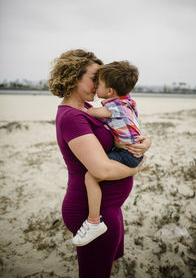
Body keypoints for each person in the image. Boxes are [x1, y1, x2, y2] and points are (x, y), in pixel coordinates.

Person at [48, 49, 151, 278]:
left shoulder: (86, 109)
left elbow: (123, 129)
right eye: (94, 78)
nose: (99, 84)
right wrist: (137, 165)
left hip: (109, 208)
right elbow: (100, 170)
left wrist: (145, 143)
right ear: (75, 77)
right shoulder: (73, 117)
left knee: (105, 267)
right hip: (92, 214)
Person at [73, 60, 144, 247]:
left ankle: (94, 221)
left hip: (126, 154)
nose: (97, 86)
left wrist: (78, 108)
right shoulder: (127, 101)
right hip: (131, 152)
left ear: (110, 91)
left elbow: (92, 112)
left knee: (91, 177)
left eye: (100, 83)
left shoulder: (112, 107)